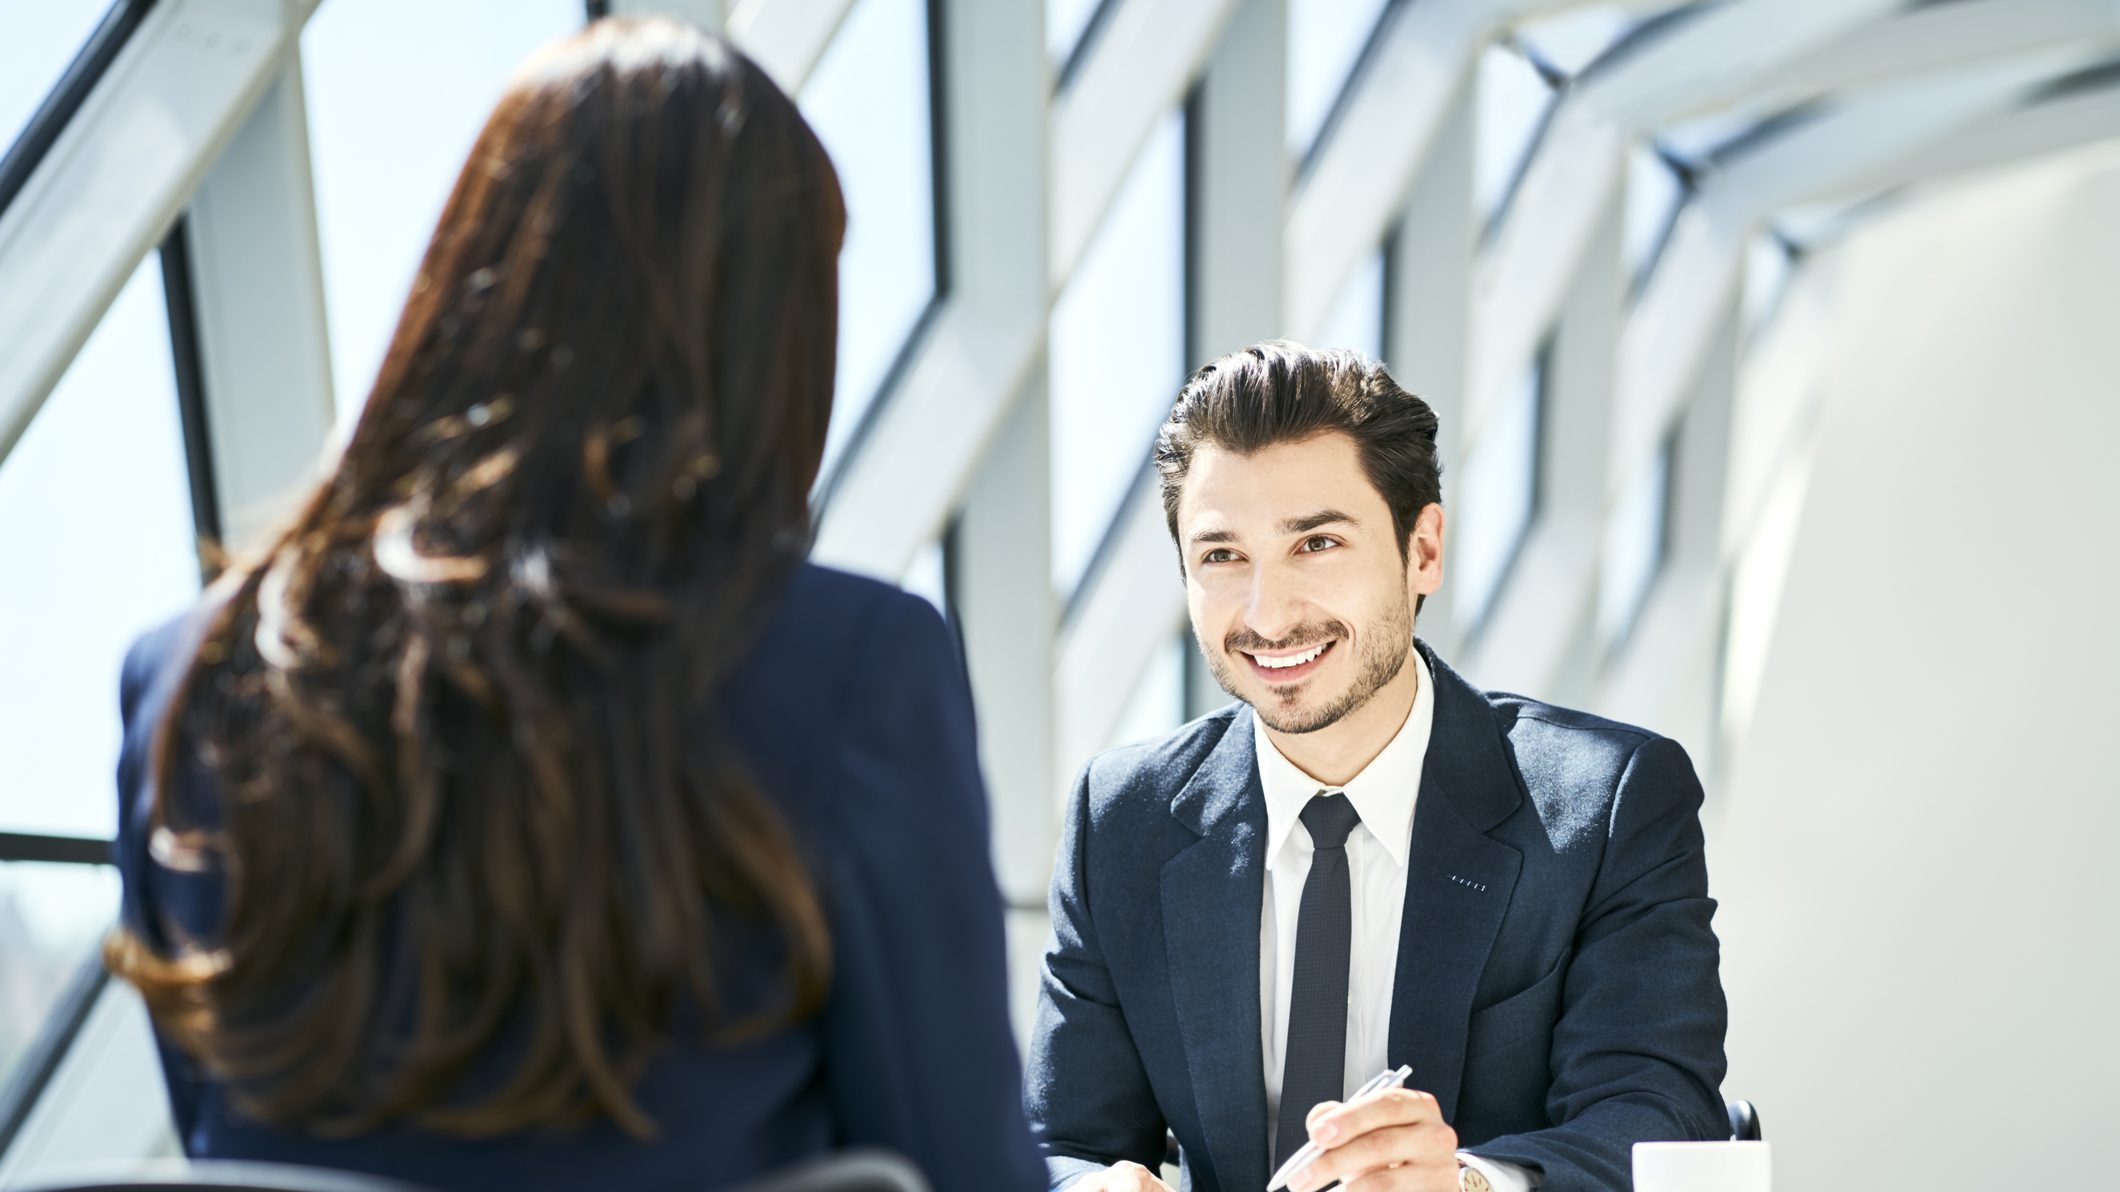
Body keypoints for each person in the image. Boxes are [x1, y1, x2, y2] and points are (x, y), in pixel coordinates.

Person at [105, 18, 1043, 1192]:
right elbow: (957, 1164)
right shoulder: (849, 665)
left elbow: (220, 1143)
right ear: (768, 341)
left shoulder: (192, 673)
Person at [1023, 342, 1728, 1192]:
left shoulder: (1606, 804)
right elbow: (1061, 1140)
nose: (1267, 613)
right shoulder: (1122, 819)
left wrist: (1468, 1185)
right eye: (1221, 556)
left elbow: (1656, 1118)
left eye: (1315, 543)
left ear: (1422, 549)